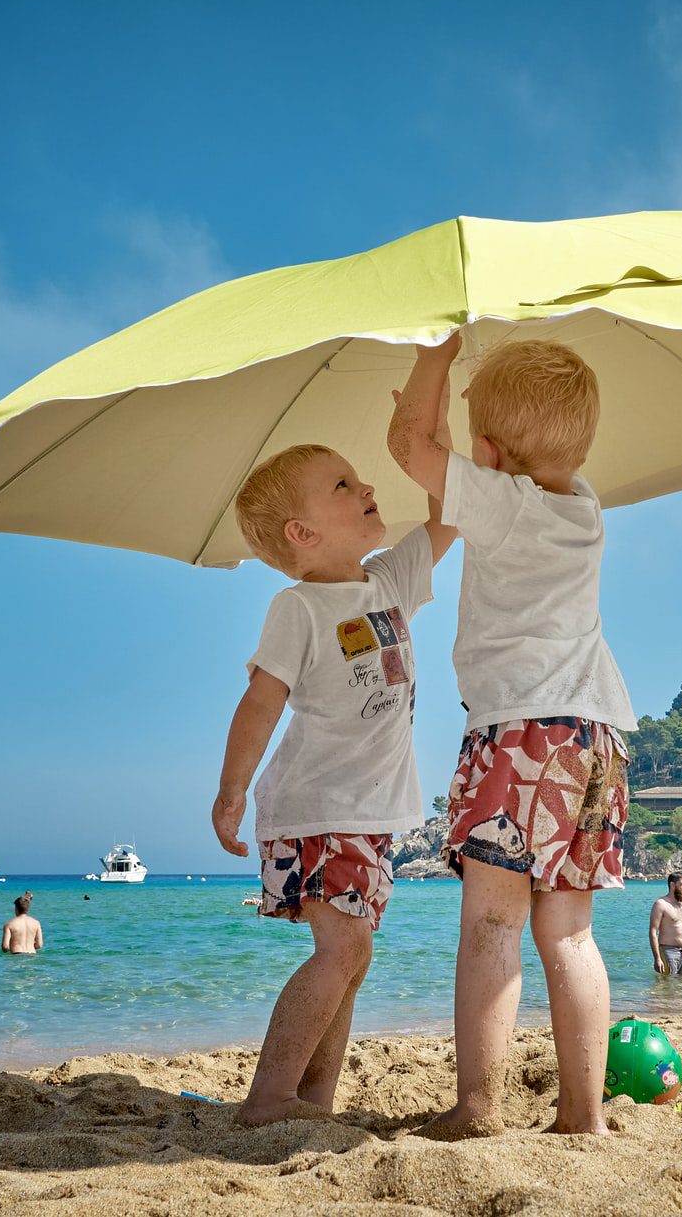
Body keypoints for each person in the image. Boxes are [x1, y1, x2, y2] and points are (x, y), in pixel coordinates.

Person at [388, 333, 635, 1139]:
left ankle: (478, 1106)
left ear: (490, 455)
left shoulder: (502, 500)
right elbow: (447, 462)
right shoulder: (584, 506)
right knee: (570, 932)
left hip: (521, 734)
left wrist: (434, 357)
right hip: (596, 735)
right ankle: (584, 1116)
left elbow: (408, 447)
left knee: (492, 923)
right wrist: (476, 446)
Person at [211, 424, 457, 1129]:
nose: (367, 487)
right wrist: (232, 789)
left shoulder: (390, 580)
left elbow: (448, 515)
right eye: (343, 485)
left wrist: (434, 425)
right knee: (342, 946)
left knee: (355, 956)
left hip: (372, 815)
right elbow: (260, 701)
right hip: (317, 806)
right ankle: (268, 1097)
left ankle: (310, 1103)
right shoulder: (299, 608)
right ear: (303, 533)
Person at [649, 873, 682, 974]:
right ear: (672, 885)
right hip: (668, 951)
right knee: (667, 985)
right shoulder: (661, 904)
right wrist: (657, 958)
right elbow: (653, 932)